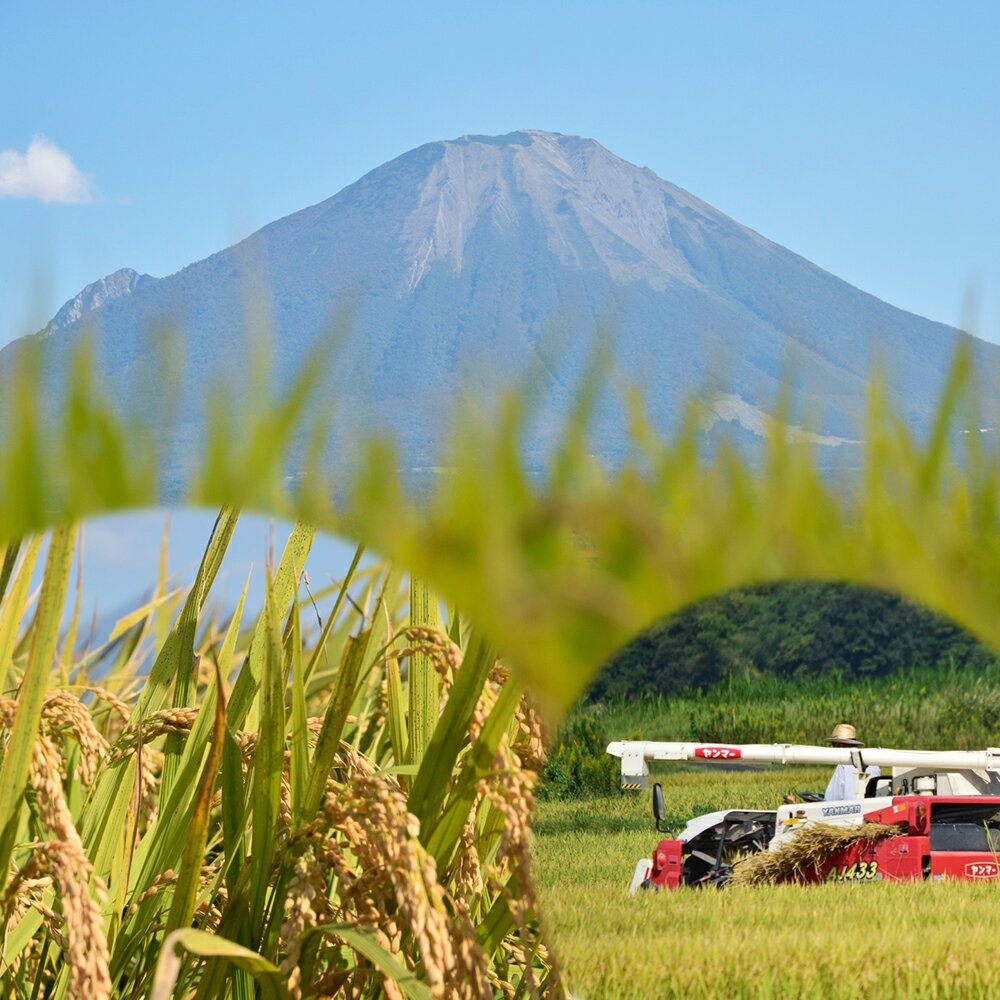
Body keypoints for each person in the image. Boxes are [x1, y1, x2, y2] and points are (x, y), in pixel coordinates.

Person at [824, 723, 880, 801]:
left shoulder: (843, 765)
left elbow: (832, 798)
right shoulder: (874, 763)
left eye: (833, 745)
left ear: (838, 745)